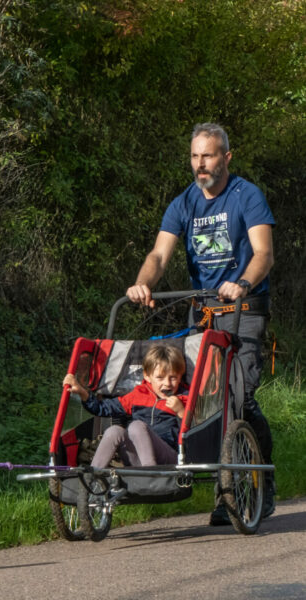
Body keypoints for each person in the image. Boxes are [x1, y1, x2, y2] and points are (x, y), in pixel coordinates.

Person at [125, 122, 275, 523]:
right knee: (204, 400)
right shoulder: (183, 203)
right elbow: (159, 256)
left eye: (208, 155)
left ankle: (260, 480)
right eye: (195, 156)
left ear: (226, 157)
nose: (200, 164)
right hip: (204, 311)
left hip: (244, 308)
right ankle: (224, 489)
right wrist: (142, 284)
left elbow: (264, 254)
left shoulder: (248, 196)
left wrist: (242, 282)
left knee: (238, 397)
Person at [63, 344, 188, 469]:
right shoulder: (138, 395)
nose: (167, 383)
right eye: (160, 378)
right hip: (138, 461)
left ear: (180, 377)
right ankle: (92, 477)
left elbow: (195, 433)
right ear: (147, 376)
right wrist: (82, 392)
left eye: (173, 377)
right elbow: (103, 408)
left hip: (169, 458)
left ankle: (151, 473)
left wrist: (181, 411)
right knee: (114, 431)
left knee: (136, 426)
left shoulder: (184, 398)